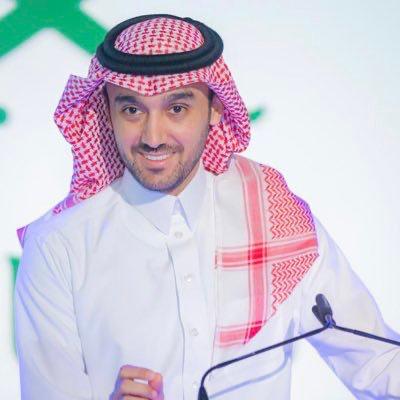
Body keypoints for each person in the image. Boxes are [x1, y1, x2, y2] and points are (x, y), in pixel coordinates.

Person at [14, 13, 400, 400]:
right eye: (132, 110)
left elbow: (378, 364)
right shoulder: (59, 245)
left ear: (215, 107)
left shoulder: (272, 211)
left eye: (176, 109)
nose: (153, 136)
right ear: (107, 112)